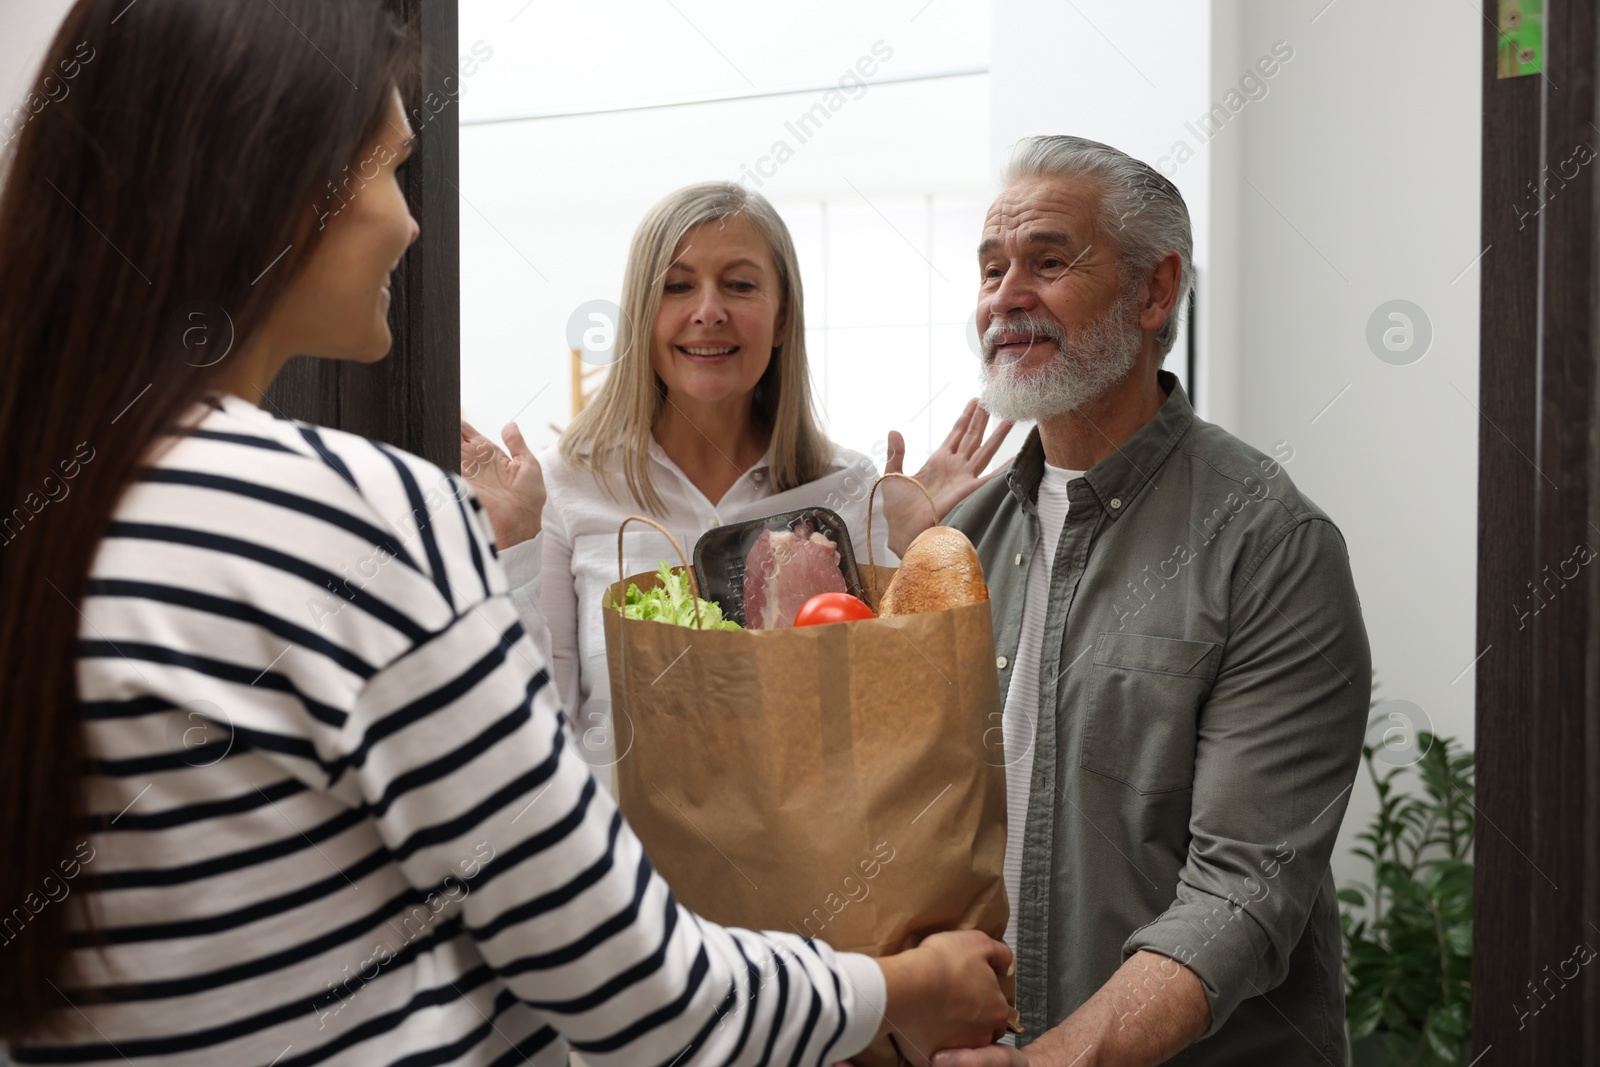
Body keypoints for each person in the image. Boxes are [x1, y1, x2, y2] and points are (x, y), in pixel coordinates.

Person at [0, 2, 1014, 1064]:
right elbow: (627, 987)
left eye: (738, 285)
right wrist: (899, 984)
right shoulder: (360, 516)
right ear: (272, 184)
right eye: (390, 169)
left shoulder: (62, 500)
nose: (408, 223)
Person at [920, 137, 1371, 1066]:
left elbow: (1241, 892)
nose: (1005, 296)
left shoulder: (1271, 544)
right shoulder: (955, 539)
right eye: (991, 268)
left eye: (1048, 261)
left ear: (1155, 290)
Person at [461, 182, 1012, 774]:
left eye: (740, 284)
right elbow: (537, 727)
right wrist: (510, 547)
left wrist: (912, 556)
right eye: (677, 286)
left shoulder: (849, 486)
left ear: (781, 320)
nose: (708, 310)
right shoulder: (564, 487)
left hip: (810, 855)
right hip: (624, 858)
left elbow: (887, 720)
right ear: (642, 317)